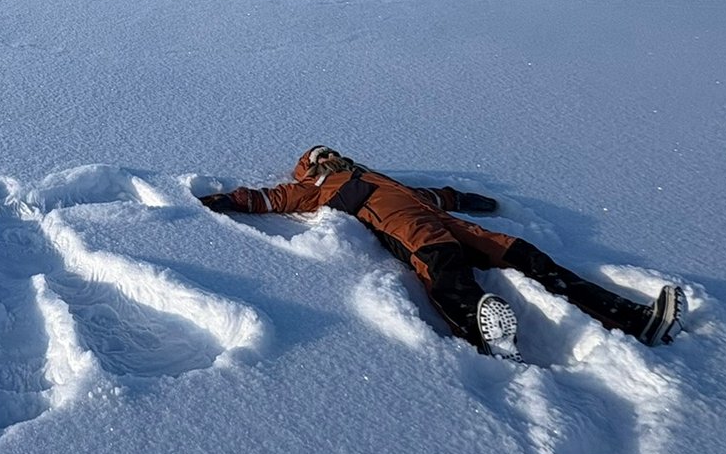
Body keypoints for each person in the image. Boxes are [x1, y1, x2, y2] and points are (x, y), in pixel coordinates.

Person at [200, 146, 683, 360]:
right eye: (318, 158)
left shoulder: (381, 179)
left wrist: (472, 200)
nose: (329, 158)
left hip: (462, 227)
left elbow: (435, 196)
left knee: (539, 263)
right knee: (450, 279)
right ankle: (483, 331)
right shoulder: (317, 192)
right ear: (309, 170)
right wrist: (216, 202)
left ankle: (634, 318)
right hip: (414, 236)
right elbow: (267, 200)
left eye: (330, 152)